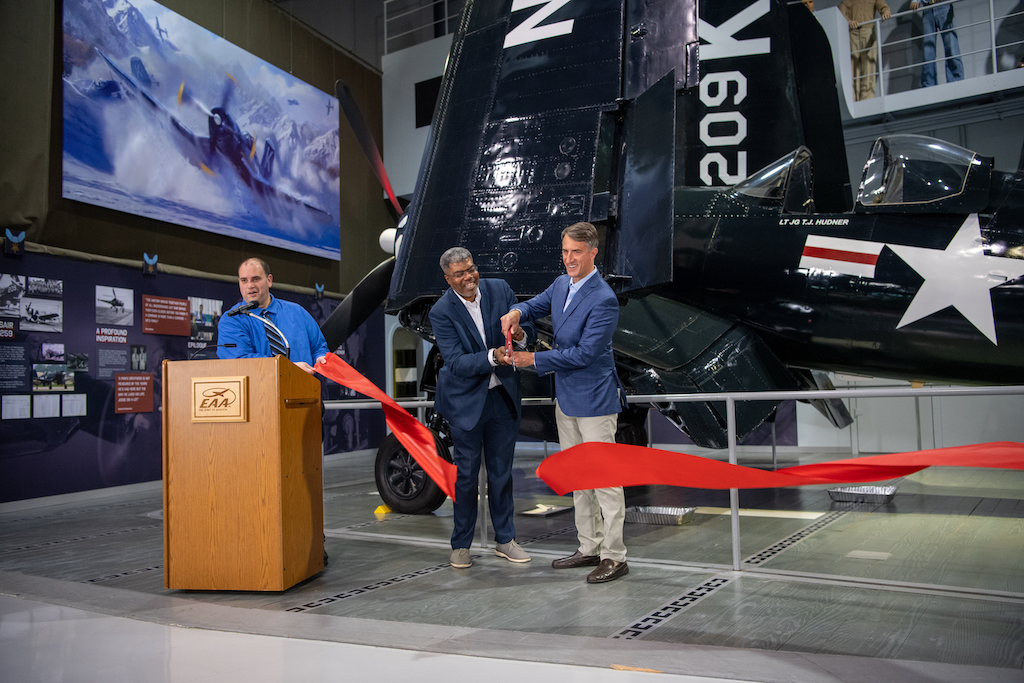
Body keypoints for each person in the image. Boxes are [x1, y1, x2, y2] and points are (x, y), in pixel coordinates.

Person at [500, 222, 628, 584]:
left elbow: (585, 354)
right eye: (565, 252)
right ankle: (589, 547)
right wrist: (516, 313)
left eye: (576, 252)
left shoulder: (603, 298)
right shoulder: (561, 284)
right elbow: (535, 304)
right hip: (568, 399)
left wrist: (534, 361)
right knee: (579, 478)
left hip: (595, 401)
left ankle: (615, 556)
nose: (569, 258)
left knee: (605, 480)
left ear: (592, 253)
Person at [429, 247, 534, 569]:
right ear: (448, 279)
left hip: (502, 398)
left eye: (471, 269)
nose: (468, 277)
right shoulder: (441, 311)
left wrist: (520, 336)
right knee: (466, 477)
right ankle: (461, 545)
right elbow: (457, 362)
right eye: (459, 274)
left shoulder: (500, 289)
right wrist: (493, 356)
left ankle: (505, 540)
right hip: (465, 404)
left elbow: (521, 337)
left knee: (502, 475)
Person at [216, 258, 329, 375]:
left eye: (256, 279)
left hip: (303, 388)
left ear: (269, 280)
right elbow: (239, 361)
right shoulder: (231, 320)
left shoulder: (297, 312)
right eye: (244, 280)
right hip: (259, 390)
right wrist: (287, 368)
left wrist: (320, 357)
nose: (250, 285)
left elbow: (319, 347)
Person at [839, 0, 891, 100]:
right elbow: (841, 12)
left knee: (868, 66)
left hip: (868, 32)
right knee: (853, 67)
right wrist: (849, 21)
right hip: (852, 34)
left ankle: (867, 97)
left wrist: (886, 12)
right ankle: (853, 97)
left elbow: (884, 7)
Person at [910, 0, 964, 87]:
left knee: (951, 47)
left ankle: (956, 81)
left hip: (944, 5)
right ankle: (929, 85)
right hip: (927, 8)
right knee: (928, 51)